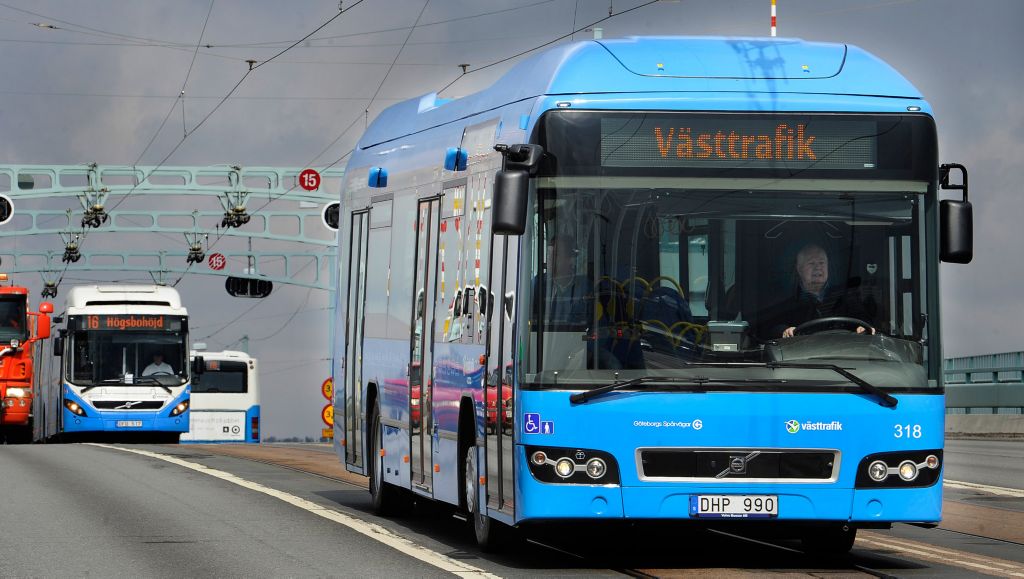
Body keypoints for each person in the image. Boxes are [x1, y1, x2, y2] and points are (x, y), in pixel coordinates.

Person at [765, 243, 873, 338]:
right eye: (811, 263)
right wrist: (784, 331)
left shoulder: (846, 296)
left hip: (842, 353)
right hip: (800, 356)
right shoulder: (786, 300)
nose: (818, 268)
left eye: (822, 263)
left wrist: (863, 327)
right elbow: (770, 327)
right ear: (799, 269)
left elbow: (864, 320)